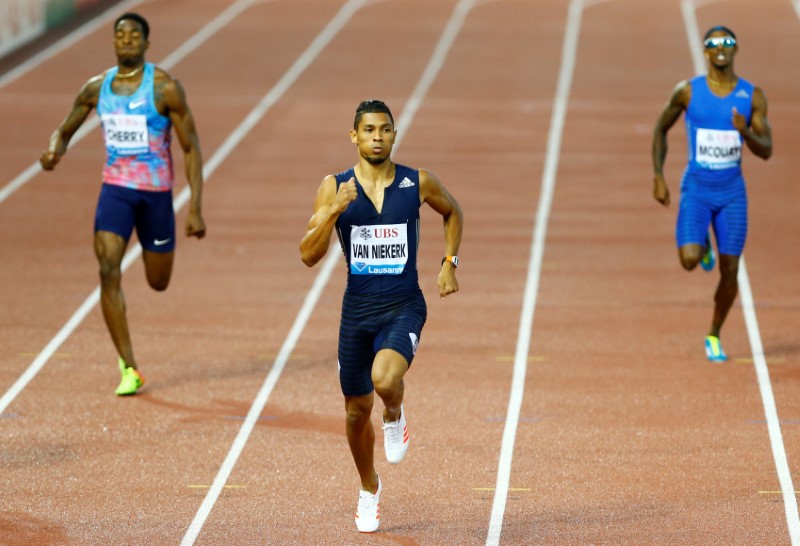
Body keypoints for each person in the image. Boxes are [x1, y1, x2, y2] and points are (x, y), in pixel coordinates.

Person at [300, 99, 463, 532]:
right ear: (354, 136)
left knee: (386, 379)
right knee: (355, 412)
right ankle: (369, 489)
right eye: (368, 130)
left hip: (403, 304)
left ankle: (394, 413)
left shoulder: (417, 181)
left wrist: (450, 262)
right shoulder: (333, 186)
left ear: (394, 135)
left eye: (384, 130)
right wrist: (335, 209)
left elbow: (453, 211)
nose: (377, 137)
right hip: (357, 311)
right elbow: (307, 255)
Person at [40, 12, 206, 395]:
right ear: (113, 43)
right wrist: (54, 151)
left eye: (134, 35)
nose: (126, 39)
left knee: (158, 282)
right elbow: (64, 130)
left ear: (147, 44)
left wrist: (195, 205)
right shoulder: (97, 88)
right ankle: (129, 365)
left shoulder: (165, 89)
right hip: (115, 190)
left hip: (156, 196)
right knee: (107, 269)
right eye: (120, 34)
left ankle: (130, 358)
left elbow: (190, 146)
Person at [652, 25, 772, 362]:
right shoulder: (687, 92)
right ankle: (703, 245)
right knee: (689, 260)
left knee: (731, 271)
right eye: (714, 43)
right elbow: (660, 129)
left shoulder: (753, 96)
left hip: (733, 193)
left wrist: (744, 131)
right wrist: (658, 176)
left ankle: (714, 334)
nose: (721, 48)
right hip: (698, 189)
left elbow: (767, 150)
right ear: (705, 51)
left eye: (727, 42)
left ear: (736, 49)